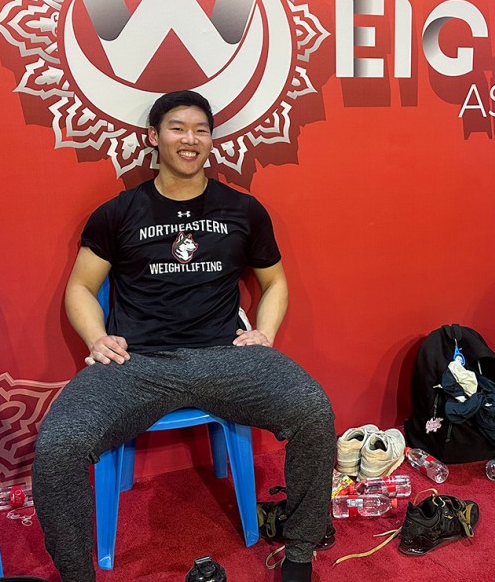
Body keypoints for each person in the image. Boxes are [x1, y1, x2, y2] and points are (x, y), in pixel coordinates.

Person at [33, 90, 335, 582]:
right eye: (176, 128)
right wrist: (96, 338)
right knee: (60, 444)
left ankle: (299, 556)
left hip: (226, 355)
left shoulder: (243, 209)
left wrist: (264, 332)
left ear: (211, 140)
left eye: (200, 129)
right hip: (139, 363)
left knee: (313, 411)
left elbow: (274, 281)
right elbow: (81, 288)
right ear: (153, 137)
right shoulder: (118, 212)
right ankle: (76, 576)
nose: (189, 139)